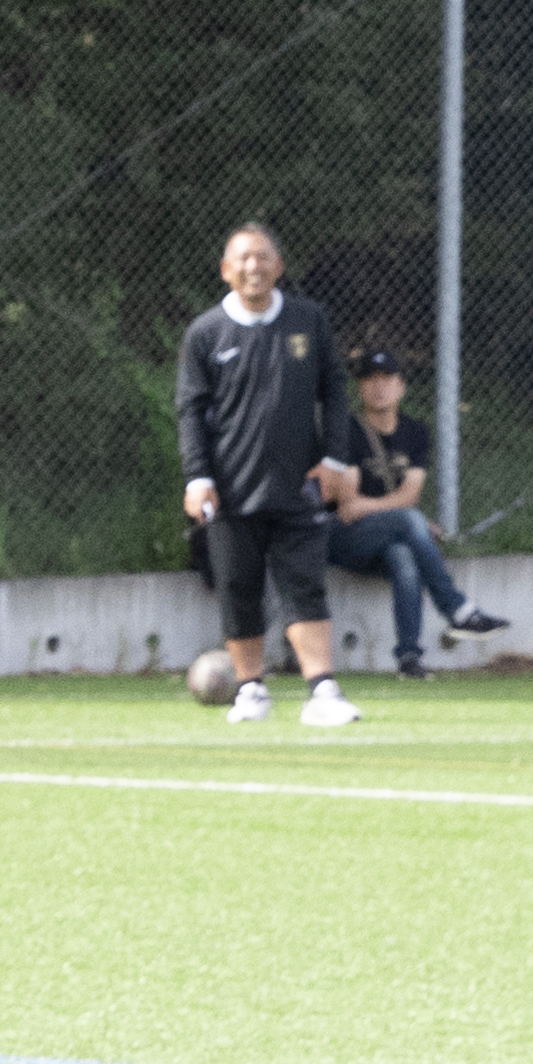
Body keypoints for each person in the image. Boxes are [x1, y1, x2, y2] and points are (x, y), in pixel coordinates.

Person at [176, 222, 367, 728]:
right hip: (231, 489)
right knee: (238, 587)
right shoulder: (205, 333)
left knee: (305, 584)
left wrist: (335, 459)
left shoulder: (309, 320)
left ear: (279, 267)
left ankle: (323, 690)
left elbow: (335, 390)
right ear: (225, 270)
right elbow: (191, 411)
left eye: (262, 257)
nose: (252, 267)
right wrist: (198, 477)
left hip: (298, 484)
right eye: (241, 259)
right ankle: (251, 690)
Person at [325, 348, 504, 675]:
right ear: (360, 388)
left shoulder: (416, 433)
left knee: (404, 557)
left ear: (401, 386)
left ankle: (409, 658)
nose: (379, 387)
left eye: (387, 379)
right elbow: (348, 508)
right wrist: (404, 516)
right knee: (409, 519)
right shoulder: (346, 431)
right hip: (342, 538)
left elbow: (411, 494)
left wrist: (394, 515)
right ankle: (457, 610)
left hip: (385, 537)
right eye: (370, 380)